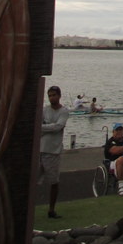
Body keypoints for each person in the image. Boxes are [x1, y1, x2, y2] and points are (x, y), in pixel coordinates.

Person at [39, 85, 69, 219]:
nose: (52, 98)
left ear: (59, 96)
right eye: (50, 95)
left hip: (53, 151)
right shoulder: (44, 110)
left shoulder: (63, 111)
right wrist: (47, 127)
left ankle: (51, 209)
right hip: (39, 150)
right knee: (32, 180)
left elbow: (58, 126)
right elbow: (37, 126)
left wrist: (43, 128)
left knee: (53, 181)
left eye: (54, 95)